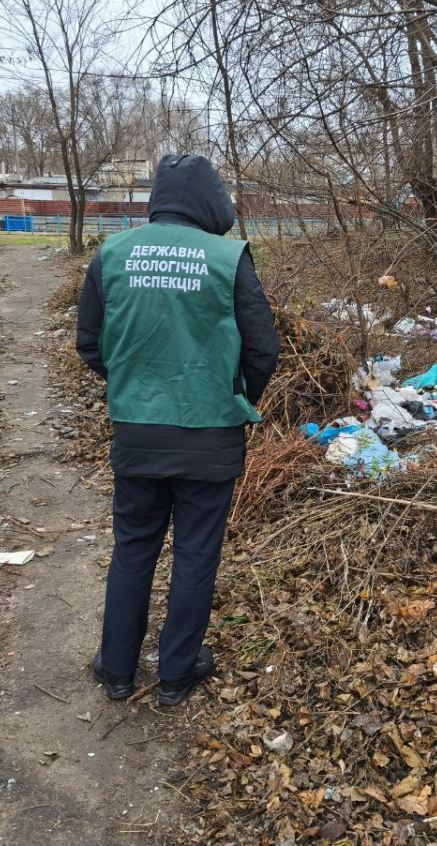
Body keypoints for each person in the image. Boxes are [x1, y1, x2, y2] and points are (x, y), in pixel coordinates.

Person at [77, 155, 280, 706]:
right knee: (195, 553)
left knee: (134, 547)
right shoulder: (227, 257)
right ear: (211, 200)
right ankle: (176, 673)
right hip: (210, 434)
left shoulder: (112, 253)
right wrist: (233, 396)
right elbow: (264, 348)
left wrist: (135, 384)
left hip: (137, 428)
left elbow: (90, 344)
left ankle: (117, 669)